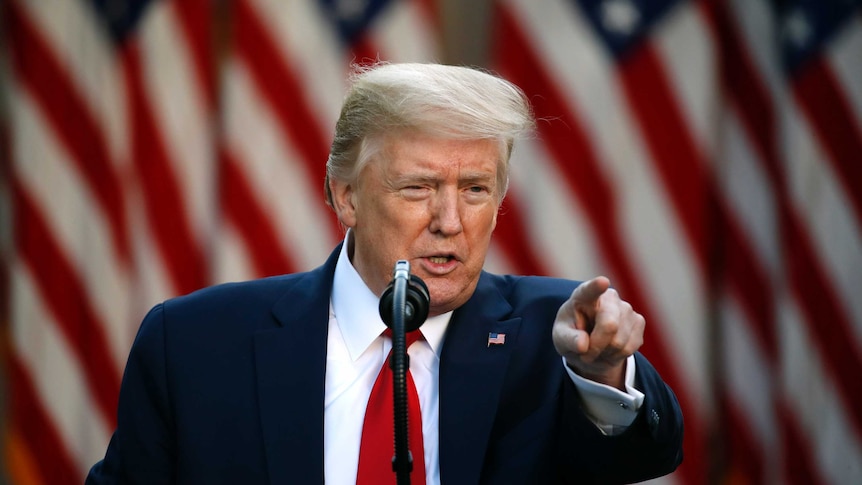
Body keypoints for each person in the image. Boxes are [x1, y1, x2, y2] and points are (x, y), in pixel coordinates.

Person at [87, 62, 683, 484]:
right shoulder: (193, 343)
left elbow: (645, 457)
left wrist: (601, 371)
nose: (450, 221)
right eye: (418, 187)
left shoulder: (551, 336)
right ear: (345, 197)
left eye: (476, 189)